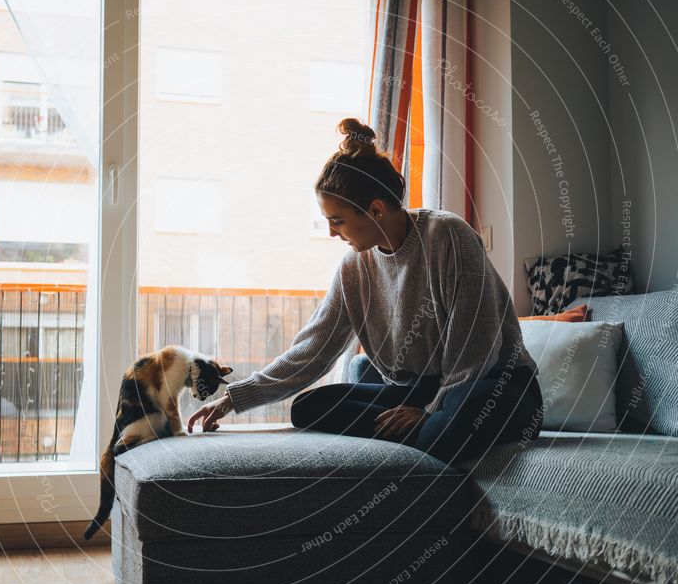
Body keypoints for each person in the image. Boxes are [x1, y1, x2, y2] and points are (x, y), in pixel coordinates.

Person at [187, 118, 543, 467]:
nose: (331, 233)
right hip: (420, 388)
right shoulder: (354, 268)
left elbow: (476, 344)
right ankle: (417, 434)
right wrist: (232, 399)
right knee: (308, 408)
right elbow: (312, 350)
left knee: (449, 425)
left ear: (375, 209)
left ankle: (424, 432)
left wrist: (429, 410)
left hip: (492, 382)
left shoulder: (448, 236)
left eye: (337, 221)